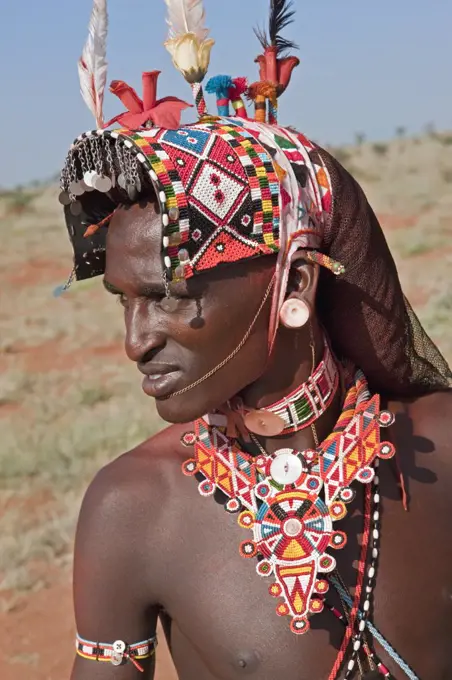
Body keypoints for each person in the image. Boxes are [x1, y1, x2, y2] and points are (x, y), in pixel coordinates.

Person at [59, 1, 452, 678]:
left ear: (295, 284)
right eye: (124, 303)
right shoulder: (132, 509)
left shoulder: (439, 447)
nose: (135, 343)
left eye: (170, 297)